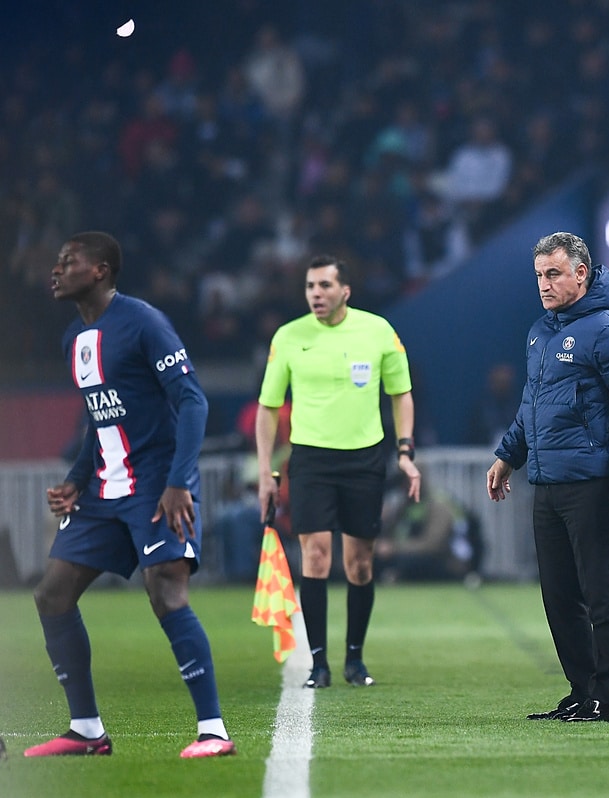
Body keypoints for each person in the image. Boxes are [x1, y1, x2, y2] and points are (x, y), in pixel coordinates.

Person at [26, 231, 235, 758]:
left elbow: (193, 402)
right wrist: (77, 477)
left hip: (155, 486)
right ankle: (87, 731)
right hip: (101, 490)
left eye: (67, 261)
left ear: (99, 270)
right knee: (52, 594)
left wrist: (178, 483)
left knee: (165, 592)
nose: (55, 270)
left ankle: (213, 731)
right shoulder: (74, 339)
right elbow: (100, 420)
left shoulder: (143, 322)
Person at [486, 231, 609, 723]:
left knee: (599, 591)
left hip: (591, 482)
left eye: (554, 273)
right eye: (539, 275)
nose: (544, 283)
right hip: (547, 481)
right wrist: (506, 457)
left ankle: (606, 697)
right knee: (559, 597)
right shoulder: (541, 331)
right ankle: (583, 690)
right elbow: (533, 406)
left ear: (582, 274)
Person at [256, 255, 421, 690]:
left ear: (345, 290)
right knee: (314, 557)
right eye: (310, 286)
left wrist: (405, 451)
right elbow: (268, 408)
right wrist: (263, 472)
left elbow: (400, 394)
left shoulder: (378, 330)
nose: (316, 294)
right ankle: (318, 663)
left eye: (325, 286)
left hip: (364, 459)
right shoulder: (289, 337)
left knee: (359, 564)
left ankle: (354, 659)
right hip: (309, 459)